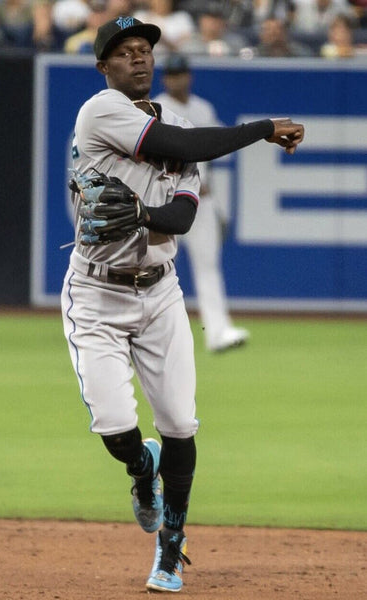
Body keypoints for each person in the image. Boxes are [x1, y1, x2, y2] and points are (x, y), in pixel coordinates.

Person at [61, 15, 304, 593]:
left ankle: (170, 546)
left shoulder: (184, 125)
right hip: (96, 292)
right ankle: (141, 469)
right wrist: (263, 128)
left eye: (144, 49)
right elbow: (178, 147)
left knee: (179, 423)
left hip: (160, 293)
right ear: (103, 67)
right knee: (113, 424)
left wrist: (142, 214)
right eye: (124, 51)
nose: (138, 58)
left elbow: (184, 215)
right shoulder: (101, 111)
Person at [153, 53, 249, 352]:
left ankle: (218, 332)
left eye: (180, 74)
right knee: (157, 267)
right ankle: (148, 335)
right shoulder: (155, 108)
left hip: (201, 201)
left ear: (189, 76)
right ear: (164, 79)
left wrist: (217, 201)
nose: (175, 79)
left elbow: (216, 148)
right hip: (167, 200)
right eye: (171, 75)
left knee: (208, 266)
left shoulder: (203, 108)